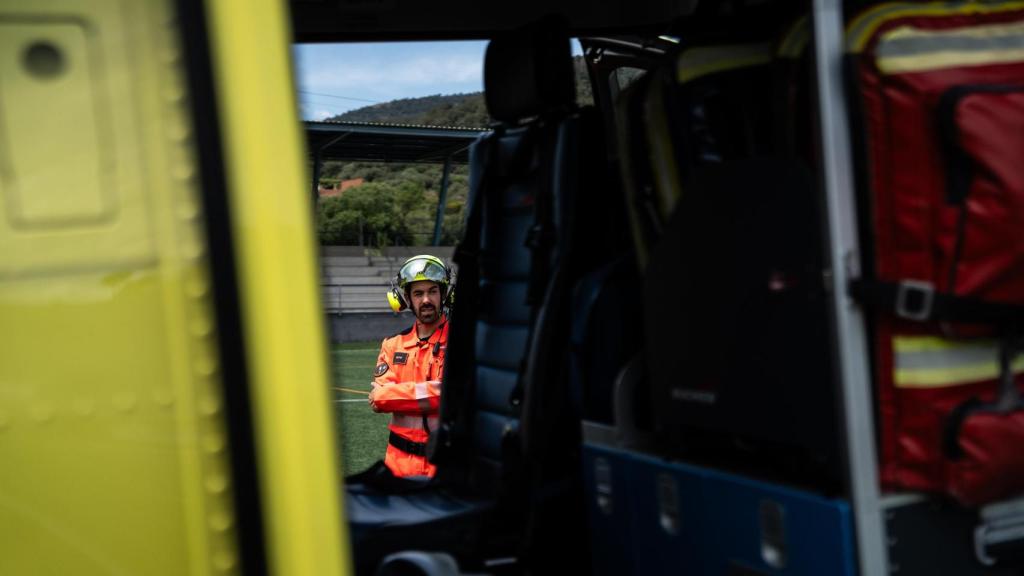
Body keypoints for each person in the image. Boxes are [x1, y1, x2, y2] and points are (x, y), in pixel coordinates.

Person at [368, 254, 452, 478]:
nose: (426, 299)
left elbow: (450, 395)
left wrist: (390, 394)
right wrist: (430, 392)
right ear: (405, 298)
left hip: (444, 465)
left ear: (444, 294)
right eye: (418, 293)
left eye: (432, 291)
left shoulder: (461, 342)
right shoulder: (392, 344)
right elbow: (378, 401)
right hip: (397, 465)